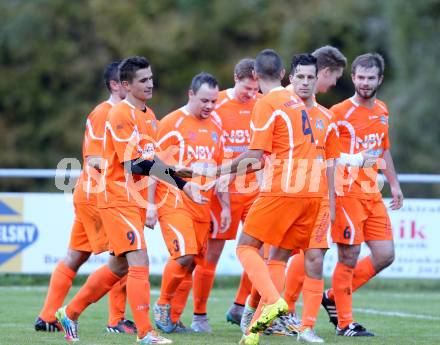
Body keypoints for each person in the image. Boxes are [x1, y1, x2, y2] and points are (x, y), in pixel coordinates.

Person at [56, 56, 207, 344]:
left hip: (132, 199)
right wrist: (180, 181)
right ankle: (146, 333)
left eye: (151, 78)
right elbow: (133, 164)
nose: (150, 83)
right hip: (115, 196)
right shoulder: (119, 115)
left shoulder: (149, 116)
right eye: (143, 80)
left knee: (119, 266)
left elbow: (150, 159)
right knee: (139, 259)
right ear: (126, 85)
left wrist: (179, 178)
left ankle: (70, 313)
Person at [209, 49, 324, 345]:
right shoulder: (297, 102)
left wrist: (213, 171)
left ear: (256, 76)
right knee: (278, 258)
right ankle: (253, 332)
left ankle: (273, 301)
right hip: (312, 191)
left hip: (285, 187)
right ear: (285, 74)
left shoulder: (267, 103)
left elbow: (254, 156)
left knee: (245, 246)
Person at [34, 61, 136, 334]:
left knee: (74, 257)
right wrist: (129, 167)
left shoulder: (128, 113)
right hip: (99, 196)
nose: (135, 85)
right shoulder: (104, 113)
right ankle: (115, 321)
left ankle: (47, 317)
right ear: (115, 85)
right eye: (128, 81)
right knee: (124, 256)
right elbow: (92, 158)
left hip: (90, 193)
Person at [322, 53, 403, 337]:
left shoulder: (382, 109)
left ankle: (333, 295)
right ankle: (345, 323)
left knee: (385, 254)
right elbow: (325, 153)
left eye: (371, 78)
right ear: (353, 77)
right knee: (349, 255)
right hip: (345, 193)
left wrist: (394, 183)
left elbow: (384, 149)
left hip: (371, 192)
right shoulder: (338, 112)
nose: (365, 83)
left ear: (379, 79)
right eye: (360, 77)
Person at [152, 72, 231, 334]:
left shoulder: (217, 127)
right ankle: (162, 305)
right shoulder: (172, 123)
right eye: (204, 100)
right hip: (173, 200)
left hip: (203, 205)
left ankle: (172, 320)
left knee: (193, 262)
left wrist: (226, 206)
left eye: (213, 101)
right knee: (183, 254)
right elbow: (155, 165)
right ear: (190, 94)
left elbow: (219, 171)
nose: (209, 106)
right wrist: (150, 204)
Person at [190, 58, 261, 330]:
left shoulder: (261, 104)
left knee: (259, 250)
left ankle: (240, 306)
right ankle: (199, 315)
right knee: (211, 254)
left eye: (255, 89)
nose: (251, 94)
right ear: (235, 78)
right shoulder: (214, 102)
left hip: (253, 189)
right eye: (246, 88)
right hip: (221, 191)